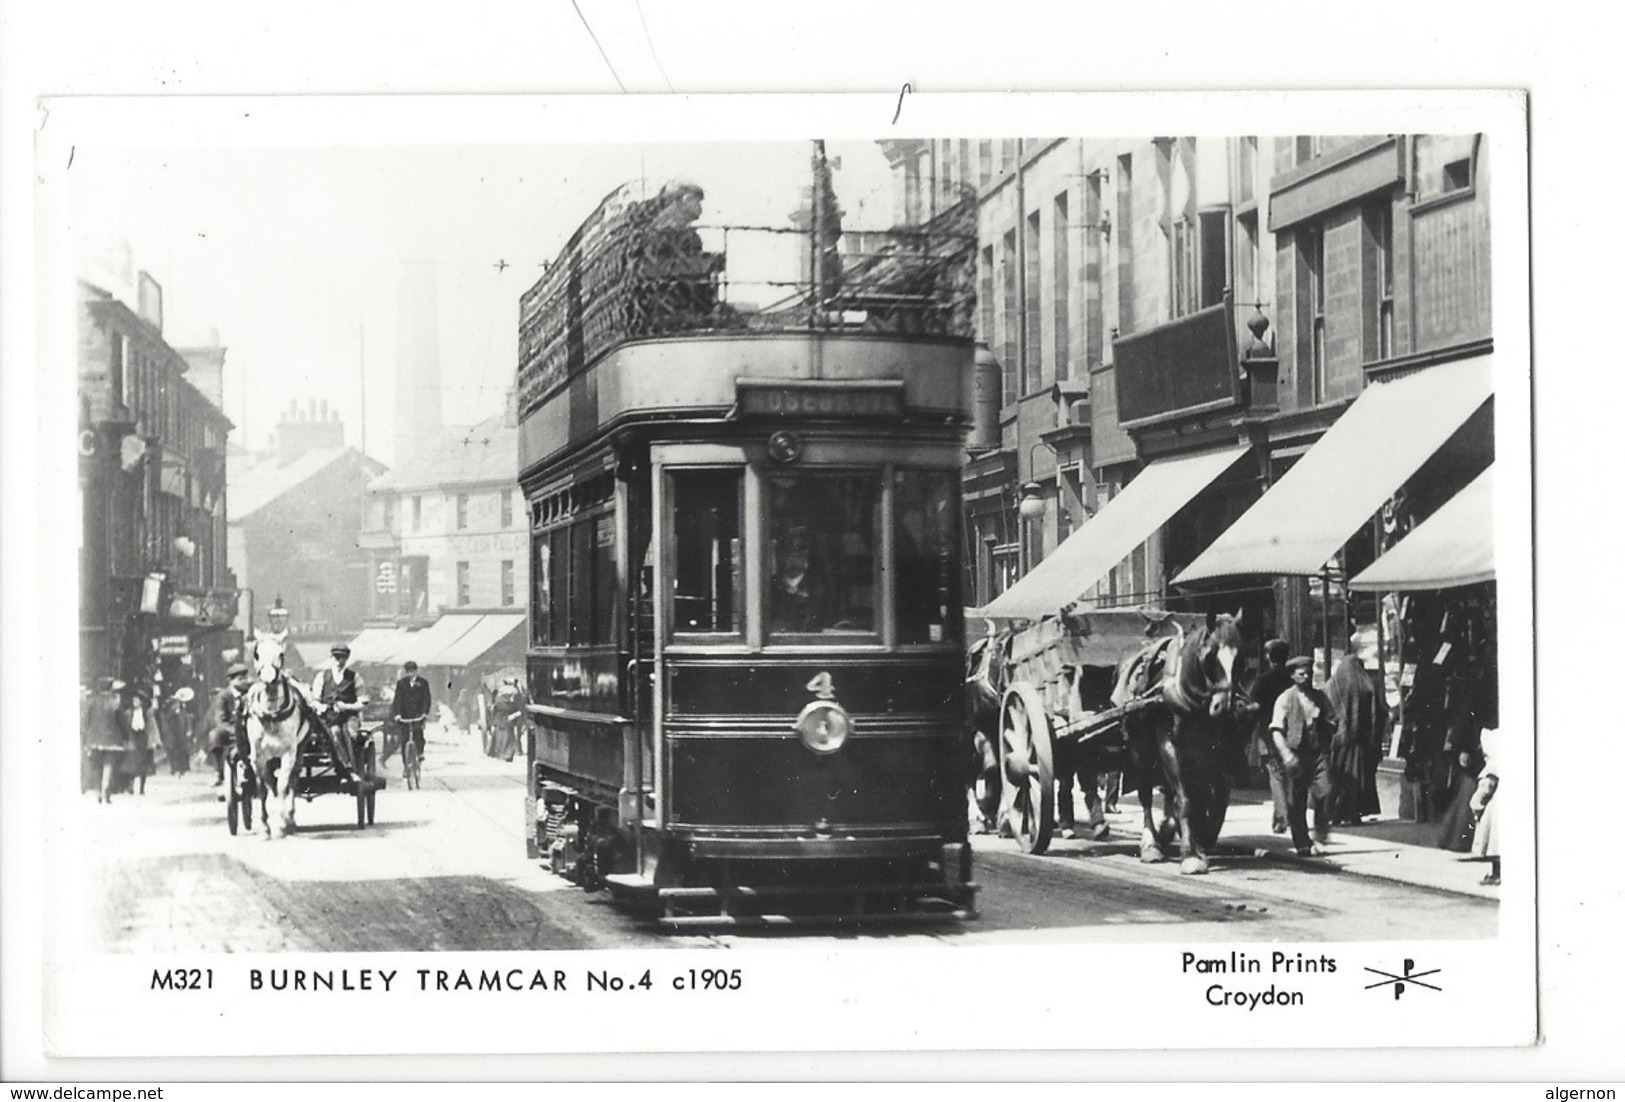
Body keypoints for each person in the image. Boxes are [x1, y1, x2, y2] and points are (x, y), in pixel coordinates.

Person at [1269, 655, 1338, 857]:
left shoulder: (1321, 697)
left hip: (1318, 754)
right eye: (1301, 674)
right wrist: (1285, 754)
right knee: (1296, 801)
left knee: (1326, 791)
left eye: (1309, 673)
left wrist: (1323, 720)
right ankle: (1302, 843)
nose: (1306, 677)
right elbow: (1276, 729)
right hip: (1295, 754)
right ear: (1292, 675)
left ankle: (1320, 833)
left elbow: (1334, 723)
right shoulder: (1285, 699)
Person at [1325, 654, 1385, 825]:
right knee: (1359, 777)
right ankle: (1354, 812)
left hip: (1336, 741)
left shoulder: (1331, 684)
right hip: (1359, 742)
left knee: (1337, 777)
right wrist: (1374, 741)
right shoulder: (1366, 685)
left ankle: (1335, 813)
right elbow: (1376, 716)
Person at [1248, 639, 1295, 834]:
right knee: (1288, 776)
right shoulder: (1292, 679)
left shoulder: (1263, 680)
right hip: (1291, 732)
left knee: (1276, 776)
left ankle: (1283, 818)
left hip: (1268, 734)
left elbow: (1254, 706)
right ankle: (1280, 816)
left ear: (1268, 656)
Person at [310, 644, 368, 774]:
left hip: (350, 716)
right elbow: (314, 700)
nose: (339, 661)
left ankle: (355, 767)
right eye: (336, 657)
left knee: (351, 733)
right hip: (330, 717)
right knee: (334, 733)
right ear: (331, 658)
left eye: (343, 658)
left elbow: (362, 702)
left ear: (347, 659)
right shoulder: (322, 676)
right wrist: (322, 707)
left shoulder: (355, 677)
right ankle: (344, 767)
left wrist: (346, 706)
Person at [207, 662, 254, 796]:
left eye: (245, 678)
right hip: (231, 731)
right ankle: (218, 772)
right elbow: (220, 720)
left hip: (250, 729)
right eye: (240, 679)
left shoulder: (251, 692)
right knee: (214, 735)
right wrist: (234, 731)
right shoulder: (223, 696)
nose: (244, 682)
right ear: (230, 681)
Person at [769, 527, 823, 633]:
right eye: (789, 555)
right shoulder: (769, 587)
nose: (793, 560)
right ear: (780, 557)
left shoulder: (818, 588)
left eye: (799, 555)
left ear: (807, 557)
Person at [83, 680, 128, 804]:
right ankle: (105, 789)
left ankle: (98, 791)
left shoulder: (92, 702)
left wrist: (85, 739)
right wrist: (126, 736)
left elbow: (86, 721)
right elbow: (122, 722)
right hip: (112, 741)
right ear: (110, 689)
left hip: (94, 740)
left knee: (97, 766)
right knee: (108, 765)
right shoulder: (115, 703)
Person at [1471, 727, 1501, 885]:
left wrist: (1476, 805)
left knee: (1495, 844)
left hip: (1495, 810)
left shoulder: (1491, 769)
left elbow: (1485, 789)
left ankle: (1496, 873)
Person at [392, 660, 433, 763]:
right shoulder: (401, 683)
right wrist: (397, 714)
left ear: (416, 671)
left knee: (418, 734)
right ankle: (406, 766)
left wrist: (425, 713)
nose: (411, 674)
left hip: (418, 714)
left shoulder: (423, 682)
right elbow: (397, 700)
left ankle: (420, 753)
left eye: (413, 671)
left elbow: (426, 699)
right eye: (408, 671)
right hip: (404, 715)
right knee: (404, 740)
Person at [489, 676, 527, 763]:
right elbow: (516, 709)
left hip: (501, 722)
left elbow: (494, 710)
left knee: (503, 738)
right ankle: (507, 754)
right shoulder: (509, 702)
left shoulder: (499, 700)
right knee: (508, 739)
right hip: (506, 722)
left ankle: (503, 754)